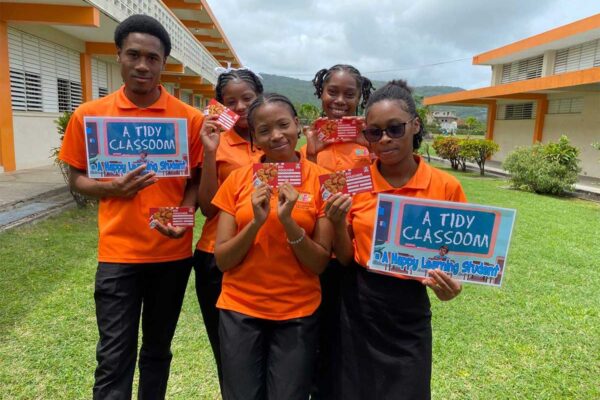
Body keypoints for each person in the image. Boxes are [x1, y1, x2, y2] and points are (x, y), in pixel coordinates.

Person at [58, 14, 203, 399]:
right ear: (118, 55)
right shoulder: (89, 116)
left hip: (171, 256)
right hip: (117, 255)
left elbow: (195, 180)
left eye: (152, 58)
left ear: (164, 63)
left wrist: (184, 216)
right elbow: (76, 178)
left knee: (157, 351)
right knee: (113, 355)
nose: (142, 65)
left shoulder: (189, 119)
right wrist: (112, 188)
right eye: (134, 55)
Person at [326, 80, 464, 400]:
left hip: (409, 310)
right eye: (374, 132)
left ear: (415, 125)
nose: (385, 139)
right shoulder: (354, 182)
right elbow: (345, 258)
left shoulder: (446, 187)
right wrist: (336, 223)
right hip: (358, 305)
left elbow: (455, 263)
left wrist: (450, 287)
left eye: (395, 129)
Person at [212, 93, 333, 400]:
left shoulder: (324, 181)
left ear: (297, 124)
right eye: (264, 130)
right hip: (240, 309)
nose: (276, 135)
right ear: (254, 138)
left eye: (283, 125)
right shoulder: (237, 180)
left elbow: (319, 263)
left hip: (298, 311)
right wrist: (255, 222)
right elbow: (223, 260)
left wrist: (288, 221)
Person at [301, 64, 374, 399]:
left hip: (357, 252)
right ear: (321, 93)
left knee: (349, 336)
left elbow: (381, 185)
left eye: (349, 94)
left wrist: (369, 147)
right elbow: (304, 187)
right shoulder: (310, 140)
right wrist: (312, 151)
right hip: (317, 252)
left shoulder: (370, 139)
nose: (340, 100)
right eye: (333, 91)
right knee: (314, 333)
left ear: (360, 97)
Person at [194, 67, 264, 390]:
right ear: (219, 105)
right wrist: (210, 152)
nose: (240, 107)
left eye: (247, 98)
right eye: (230, 101)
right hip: (216, 257)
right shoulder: (215, 141)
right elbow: (208, 208)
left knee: (265, 349)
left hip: (267, 256)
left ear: (260, 97)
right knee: (229, 355)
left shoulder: (275, 139)